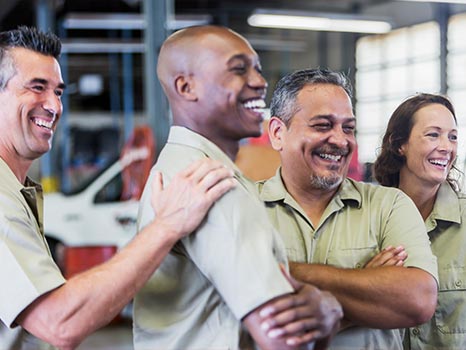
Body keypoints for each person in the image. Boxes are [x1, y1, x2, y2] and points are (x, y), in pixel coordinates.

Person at [0, 26, 238, 350]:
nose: (54, 106)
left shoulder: (18, 188)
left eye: (58, 92)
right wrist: (167, 225)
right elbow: (59, 322)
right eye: (37, 87)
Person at [133, 25, 343, 350]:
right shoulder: (209, 183)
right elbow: (285, 338)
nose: (260, 82)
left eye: (257, 69)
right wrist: (330, 311)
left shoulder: (177, 167)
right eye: (238, 69)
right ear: (186, 87)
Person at [256, 68, 439, 349]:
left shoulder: (389, 206)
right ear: (278, 133)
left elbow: (417, 301)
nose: (341, 141)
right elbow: (223, 314)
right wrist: (367, 284)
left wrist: (283, 272)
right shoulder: (243, 206)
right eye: (322, 125)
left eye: (348, 128)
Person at [373, 93, 465, 349]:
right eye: (433, 135)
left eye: (453, 136)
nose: (446, 147)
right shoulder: (367, 220)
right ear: (399, 144)